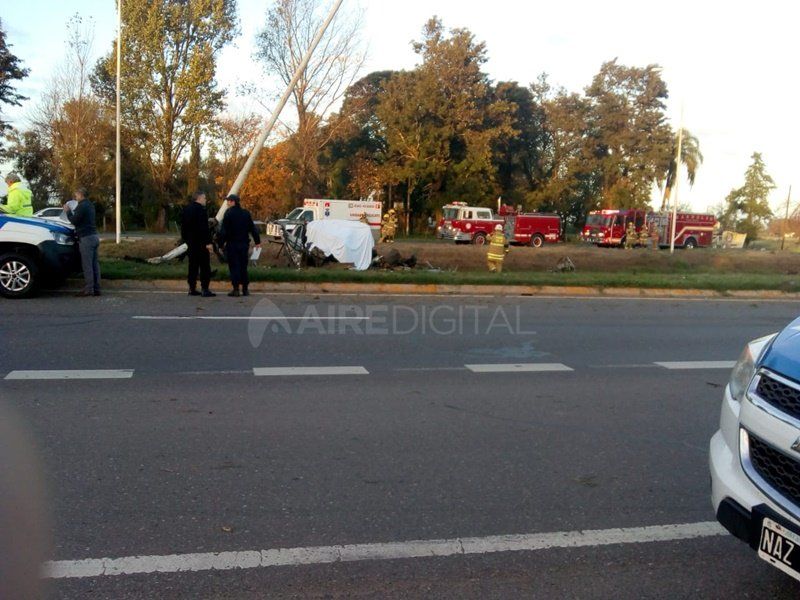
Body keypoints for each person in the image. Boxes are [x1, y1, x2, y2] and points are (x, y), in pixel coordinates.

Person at [219, 194, 261, 297]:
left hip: (232, 244)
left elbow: (224, 231)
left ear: (233, 202)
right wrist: (257, 242)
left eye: (228, 201)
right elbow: (253, 228)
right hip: (244, 244)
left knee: (234, 266)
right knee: (243, 266)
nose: (227, 203)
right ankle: (245, 289)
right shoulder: (245, 213)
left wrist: (220, 244)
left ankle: (236, 289)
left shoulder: (228, 213)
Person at [65, 187, 100, 297]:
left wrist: (68, 212)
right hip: (94, 236)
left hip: (86, 238)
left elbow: (75, 220)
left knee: (87, 265)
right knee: (95, 264)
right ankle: (96, 287)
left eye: (76, 195)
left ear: (80, 195)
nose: (75, 197)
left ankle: (89, 289)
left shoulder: (82, 206)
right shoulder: (90, 205)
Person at [180, 191, 216, 297]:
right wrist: (209, 243)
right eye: (204, 198)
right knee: (204, 266)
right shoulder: (201, 210)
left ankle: (192, 288)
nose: (205, 200)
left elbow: (184, 227)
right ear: (199, 198)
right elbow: (204, 228)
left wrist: (186, 240)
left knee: (192, 266)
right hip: (201, 244)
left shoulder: (187, 209)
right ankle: (205, 288)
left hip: (191, 243)